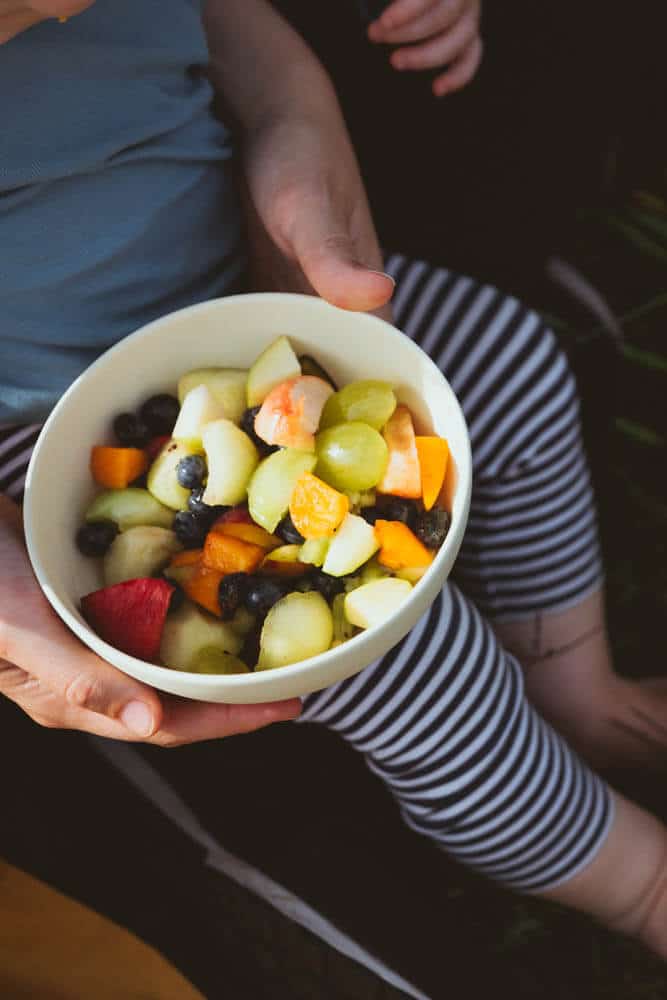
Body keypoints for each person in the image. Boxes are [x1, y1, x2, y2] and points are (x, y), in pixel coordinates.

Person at [2, 0, 667, 961]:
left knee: (513, 360)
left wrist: (299, 123)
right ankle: (638, 883)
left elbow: (231, 29)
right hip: (46, 419)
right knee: (416, 665)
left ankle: (576, 685)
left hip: (259, 291)